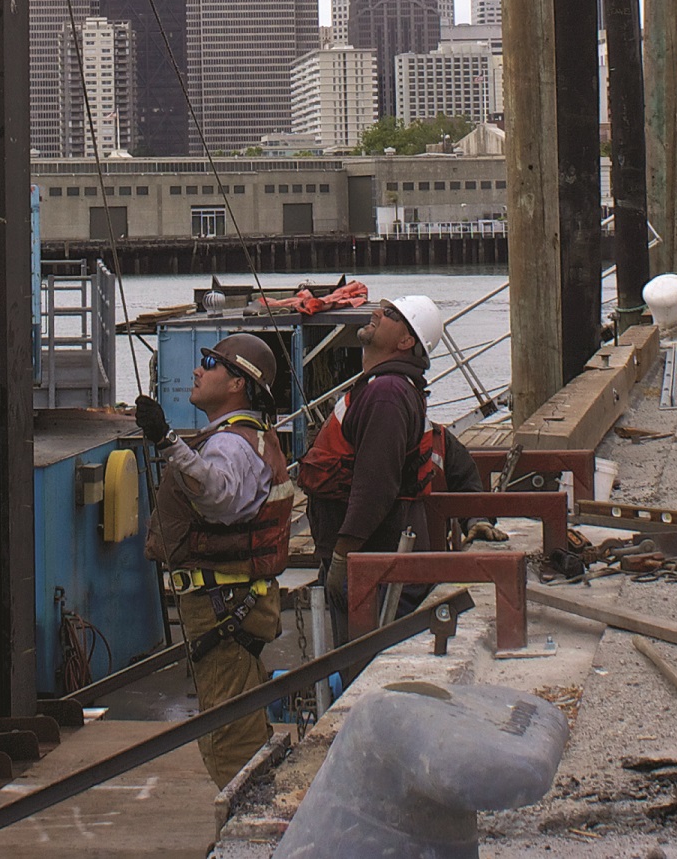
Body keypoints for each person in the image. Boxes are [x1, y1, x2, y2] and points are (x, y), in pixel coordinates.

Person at [134, 332, 293, 786]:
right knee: (236, 723)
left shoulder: (232, 445)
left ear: (239, 383)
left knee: (230, 737)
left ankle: (250, 840)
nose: (198, 368)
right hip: (235, 607)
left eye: (212, 362)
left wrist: (166, 440)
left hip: (224, 609)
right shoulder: (249, 438)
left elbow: (218, 496)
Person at [297, 295, 450, 636]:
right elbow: (449, 449)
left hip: (373, 572)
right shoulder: (391, 390)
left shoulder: (387, 394)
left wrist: (342, 556)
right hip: (375, 566)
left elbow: (376, 487)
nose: (377, 312)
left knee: (361, 666)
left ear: (406, 341)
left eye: (391, 313)